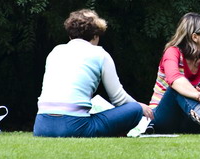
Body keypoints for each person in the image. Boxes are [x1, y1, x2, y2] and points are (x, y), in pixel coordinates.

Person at [33, 9, 152, 137]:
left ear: (70, 35)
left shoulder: (55, 51)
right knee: (134, 109)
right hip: (75, 127)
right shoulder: (100, 54)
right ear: (96, 36)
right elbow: (118, 99)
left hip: (41, 126)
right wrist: (140, 106)